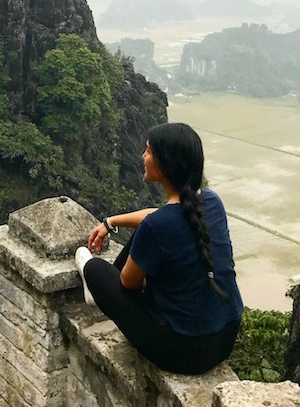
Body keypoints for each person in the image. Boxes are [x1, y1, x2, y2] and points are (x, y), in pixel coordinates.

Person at [75, 122, 243, 375]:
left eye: (149, 152)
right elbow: (161, 217)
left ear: (165, 164)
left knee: (96, 268)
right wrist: (111, 222)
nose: (143, 157)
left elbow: (128, 283)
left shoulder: (157, 226)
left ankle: (93, 288)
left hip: (181, 351)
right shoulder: (212, 201)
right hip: (224, 339)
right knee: (146, 236)